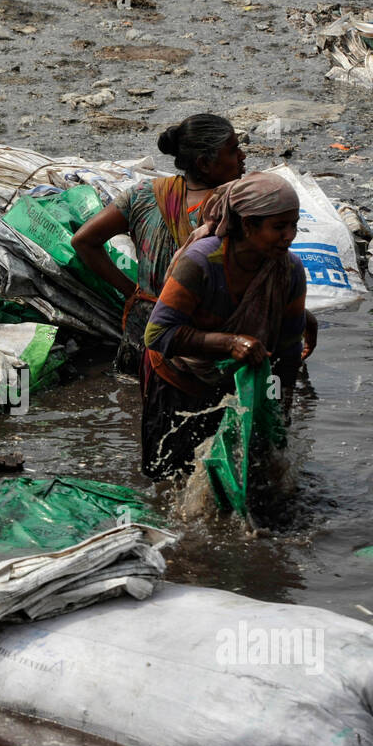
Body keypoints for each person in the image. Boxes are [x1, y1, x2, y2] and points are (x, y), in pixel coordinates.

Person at [140, 172, 309, 481]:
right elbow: (157, 333)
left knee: (247, 478)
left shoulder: (289, 270)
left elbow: (288, 347)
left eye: (294, 225)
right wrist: (230, 344)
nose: (290, 236)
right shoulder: (202, 262)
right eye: (279, 227)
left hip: (235, 387)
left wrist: (279, 404)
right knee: (170, 478)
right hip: (180, 380)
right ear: (247, 225)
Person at [71, 115, 246, 372]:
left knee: (137, 400)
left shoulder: (143, 193)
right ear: (205, 163)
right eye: (233, 150)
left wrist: (133, 292)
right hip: (199, 339)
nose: (242, 156)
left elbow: (83, 241)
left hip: (143, 329)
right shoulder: (231, 207)